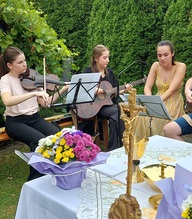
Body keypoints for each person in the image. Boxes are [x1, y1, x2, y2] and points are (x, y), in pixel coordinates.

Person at [0, 46, 69, 181]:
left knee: (58, 136)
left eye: (25, 60)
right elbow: (7, 101)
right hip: (16, 121)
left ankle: (57, 171)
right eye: (20, 62)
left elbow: (46, 103)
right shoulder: (5, 80)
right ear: (10, 65)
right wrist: (33, 93)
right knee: (38, 141)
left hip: (35, 118)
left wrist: (63, 89)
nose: (25, 64)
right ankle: (34, 181)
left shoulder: (32, 78)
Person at [75, 44, 132, 151]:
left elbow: (113, 93)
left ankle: (118, 146)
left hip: (106, 105)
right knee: (117, 112)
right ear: (96, 59)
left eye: (108, 57)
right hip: (92, 107)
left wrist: (124, 90)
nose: (108, 60)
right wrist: (94, 90)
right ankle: (119, 146)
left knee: (119, 112)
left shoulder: (110, 73)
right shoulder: (88, 72)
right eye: (105, 58)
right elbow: (80, 89)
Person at [134, 40, 186, 138]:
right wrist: (149, 101)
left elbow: (171, 90)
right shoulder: (155, 65)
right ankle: (143, 148)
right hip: (157, 99)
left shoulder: (180, 66)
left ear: (172, 53)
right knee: (140, 117)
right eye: (159, 55)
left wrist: (155, 104)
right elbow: (147, 86)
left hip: (173, 102)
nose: (162, 58)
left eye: (166, 55)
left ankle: (160, 148)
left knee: (158, 120)